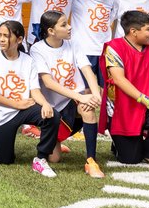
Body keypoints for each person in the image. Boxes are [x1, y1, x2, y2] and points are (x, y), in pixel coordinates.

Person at [30, 11, 105, 179]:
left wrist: (95, 94)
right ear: (51, 31)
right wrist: (81, 97)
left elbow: (87, 70)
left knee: (87, 109)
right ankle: (55, 140)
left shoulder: (73, 43)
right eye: (64, 25)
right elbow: (48, 83)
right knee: (54, 159)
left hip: (75, 99)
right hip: (54, 108)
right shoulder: (37, 49)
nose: (69, 27)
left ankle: (91, 161)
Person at [0, 20, 60, 176]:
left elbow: (34, 90)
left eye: (6, 36)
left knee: (52, 115)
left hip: (22, 109)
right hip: (0, 116)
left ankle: (41, 159)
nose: (1, 39)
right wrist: (16, 104)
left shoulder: (28, 60)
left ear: (20, 39)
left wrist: (45, 104)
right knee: (5, 160)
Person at [101, 11, 149, 169]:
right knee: (130, 159)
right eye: (148, 29)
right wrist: (146, 101)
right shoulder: (114, 47)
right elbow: (119, 79)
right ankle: (119, 144)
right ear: (133, 31)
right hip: (122, 108)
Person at [70, 0, 118, 87]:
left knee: (105, 88)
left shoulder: (112, 1)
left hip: (104, 51)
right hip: (84, 51)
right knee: (85, 88)